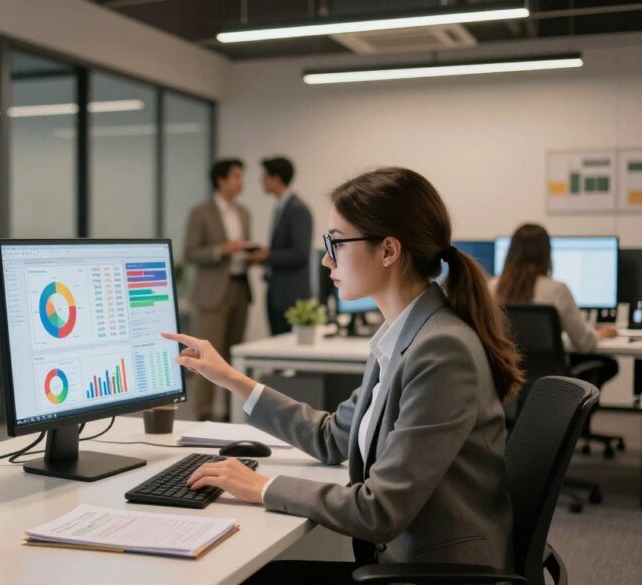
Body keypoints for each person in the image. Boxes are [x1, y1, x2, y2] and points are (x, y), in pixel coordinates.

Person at [164, 167, 521, 582]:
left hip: (435, 571)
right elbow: (333, 436)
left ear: (388, 251)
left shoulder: (441, 349)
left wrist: (262, 486)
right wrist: (232, 379)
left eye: (336, 242)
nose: (325, 258)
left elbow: (379, 510)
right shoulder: (401, 333)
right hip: (400, 558)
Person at [491, 223, 618, 386]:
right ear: (546, 254)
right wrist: (598, 335)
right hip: (549, 382)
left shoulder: (491, 288)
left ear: (511, 253)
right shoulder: (557, 290)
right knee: (609, 364)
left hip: (505, 377)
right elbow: (583, 343)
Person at [184, 159, 255, 421]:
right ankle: (202, 415)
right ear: (220, 180)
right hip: (212, 294)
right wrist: (222, 250)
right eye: (236, 176)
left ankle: (230, 415)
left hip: (240, 288)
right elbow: (190, 252)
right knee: (207, 358)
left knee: (233, 359)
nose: (241, 182)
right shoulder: (201, 212)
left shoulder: (244, 212)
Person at [251, 156, 313, 335]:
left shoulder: (297, 209)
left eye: (265, 176)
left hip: (290, 296)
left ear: (276, 178)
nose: (262, 181)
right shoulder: (281, 207)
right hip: (277, 291)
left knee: (286, 349)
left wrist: (267, 256)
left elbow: (301, 253)